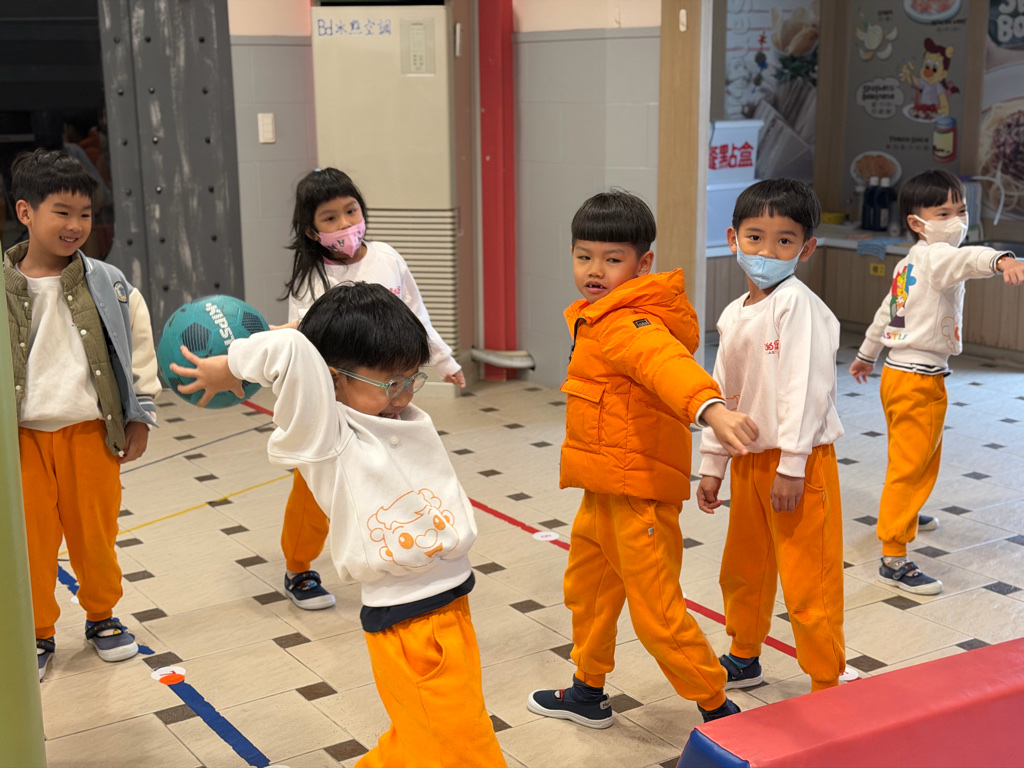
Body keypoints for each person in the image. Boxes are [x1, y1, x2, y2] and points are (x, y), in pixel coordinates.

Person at [169, 282, 504, 767]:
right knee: (464, 747)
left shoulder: (399, 414)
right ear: (332, 379)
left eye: (410, 379)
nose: (402, 394)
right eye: (389, 383)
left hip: (453, 604)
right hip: (410, 624)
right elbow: (290, 350)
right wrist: (232, 364)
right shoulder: (327, 434)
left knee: (421, 738)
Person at [526, 191, 759, 729]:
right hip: (603, 487)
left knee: (657, 613)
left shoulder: (632, 323)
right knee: (588, 593)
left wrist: (711, 410)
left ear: (642, 263)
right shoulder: (598, 316)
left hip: (639, 497)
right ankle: (587, 691)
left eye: (612, 259)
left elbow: (665, 365)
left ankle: (718, 708)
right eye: (584, 256)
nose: (595, 270)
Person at [277, 167, 464, 611]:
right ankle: (298, 566)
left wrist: (445, 360)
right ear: (312, 230)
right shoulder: (311, 279)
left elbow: (417, 314)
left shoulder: (387, 257)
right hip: (340, 403)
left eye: (351, 211)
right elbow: (302, 343)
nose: (345, 224)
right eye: (330, 218)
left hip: (390, 395)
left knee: (395, 473)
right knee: (314, 490)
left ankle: (400, 544)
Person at [4, 148, 159, 681]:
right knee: (30, 544)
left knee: (95, 535)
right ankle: (36, 631)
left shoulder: (108, 282)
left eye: (85, 214)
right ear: (25, 212)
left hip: (91, 432)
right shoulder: (3, 287)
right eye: (62, 212)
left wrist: (140, 414)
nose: (76, 225)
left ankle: (102, 617)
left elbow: (138, 347)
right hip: (21, 439)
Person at [697, 178, 846, 694]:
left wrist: (792, 465)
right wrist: (713, 465)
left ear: (806, 248)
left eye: (784, 240)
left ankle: (825, 679)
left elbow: (805, 389)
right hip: (750, 461)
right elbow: (722, 395)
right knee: (745, 567)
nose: (766, 251)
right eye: (755, 237)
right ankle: (744, 655)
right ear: (733, 239)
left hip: (800, 464)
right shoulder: (734, 313)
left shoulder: (797, 305)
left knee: (808, 578)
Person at [850, 170, 1024, 595]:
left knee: (911, 458)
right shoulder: (937, 256)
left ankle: (906, 514)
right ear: (917, 222)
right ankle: (894, 556)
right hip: (918, 382)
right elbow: (967, 260)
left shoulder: (909, 261)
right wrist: (1002, 260)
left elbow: (888, 311)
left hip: (897, 373)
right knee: (913, 467)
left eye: (960, 210)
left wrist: (866, 355)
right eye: (943, 213)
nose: (956, 220)